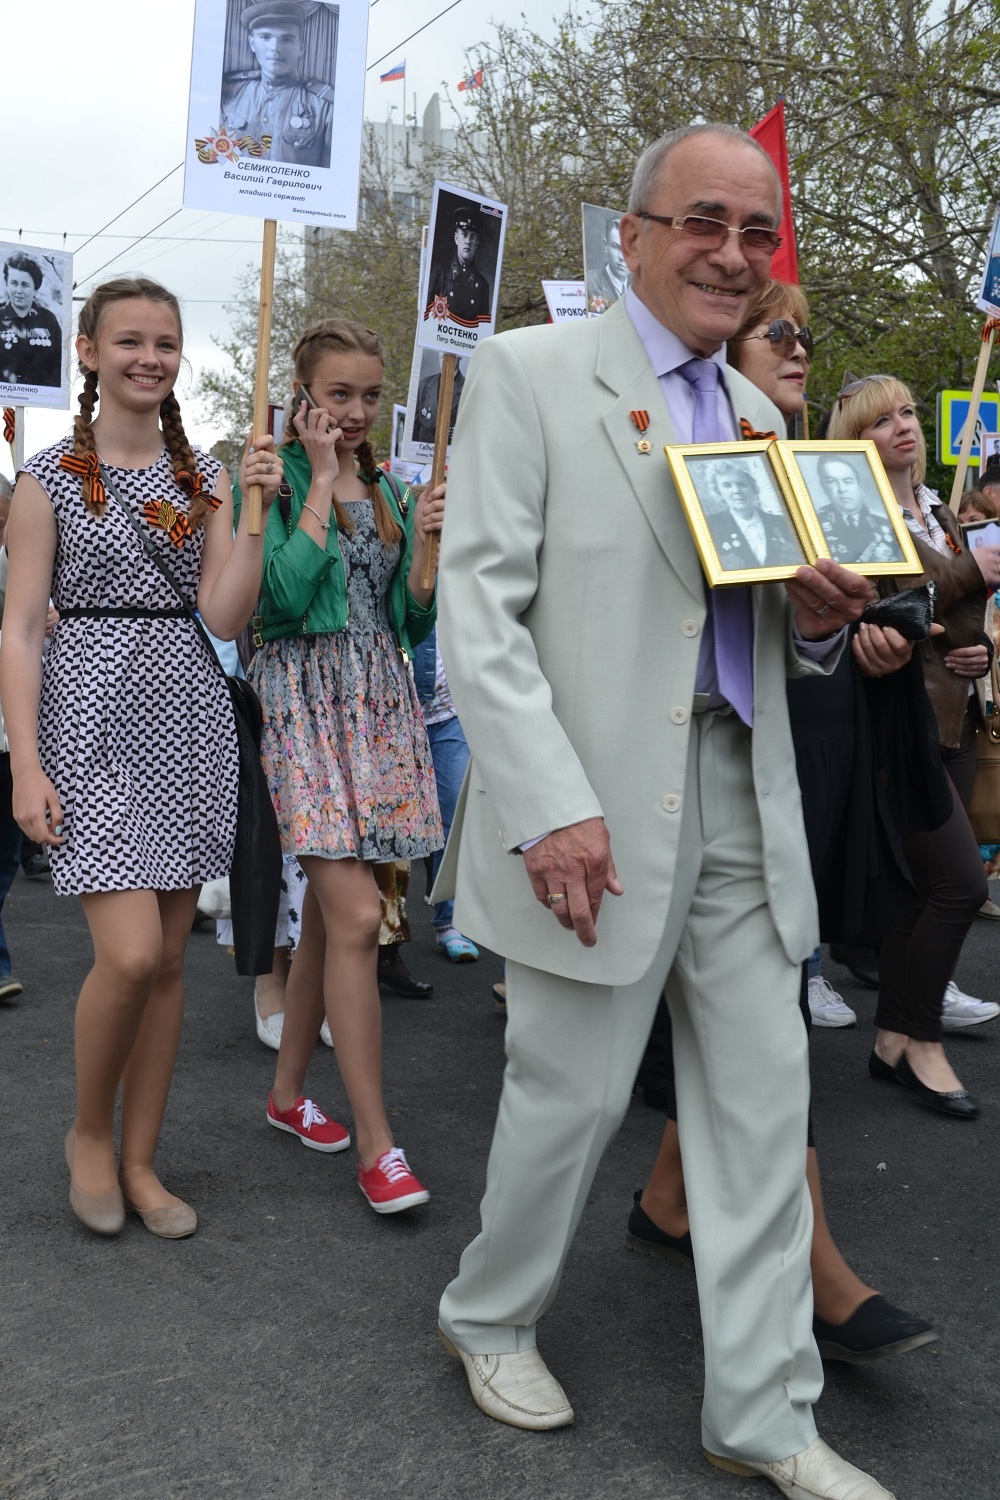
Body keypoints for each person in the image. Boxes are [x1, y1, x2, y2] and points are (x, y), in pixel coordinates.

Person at [434, 123, 894, 1499]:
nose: (734, 256)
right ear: (633, 234)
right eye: (706, 222)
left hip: (744, 800)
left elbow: (751, 630)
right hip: (593, 812)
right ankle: (489, 1315)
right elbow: (482, 616)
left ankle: (767, 1413)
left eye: (757, 234)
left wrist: (820, 622)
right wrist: (549, 808)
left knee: (764, 1113)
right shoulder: (525, 374)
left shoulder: (763, 419)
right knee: (565, 1099)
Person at [629, 279, 939, 1370]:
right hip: (699, 773)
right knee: (750, 1009)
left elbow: (885, 601)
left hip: (818, 752)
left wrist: (867, 634)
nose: (800, 349)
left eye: (807, 331)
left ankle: (672, 1202)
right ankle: (810, 1271)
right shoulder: (674, 459)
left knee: (754, 1000)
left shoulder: (823, 473)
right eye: (780, 333)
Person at [0, 275, 280, 1238]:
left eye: (165, 342)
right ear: (88, 350)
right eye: (129, 341)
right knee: (124, 955)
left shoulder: (203, 477)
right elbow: (22, 628)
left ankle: (142, 1159)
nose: (149, 357)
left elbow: (225, 615)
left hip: (185, 717)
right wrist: (25, 765)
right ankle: (88, 1133)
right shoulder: (44, 480)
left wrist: (250, 512)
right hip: (86, 720)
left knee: (166, 960)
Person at [240, 317, 443, 1214]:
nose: (355, 412)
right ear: (304, 394)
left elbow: (409, 621)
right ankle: (378, 1141)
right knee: (360, 916)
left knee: (335, 913)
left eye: (368, 395)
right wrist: (319, 479)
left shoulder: (394, 490)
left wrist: (428, 548)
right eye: (338, 395)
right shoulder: (271, 474)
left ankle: (287, 1098)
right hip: (301, 705)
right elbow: (276, 598)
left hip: (377, 705)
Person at [830, 374, 1000, 1111]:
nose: (901, 426)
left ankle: (893, 1039)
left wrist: (981, 655)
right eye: (879, 420)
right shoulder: (855, 512)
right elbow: (896, 602)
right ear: (854, 438)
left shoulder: (935, 510)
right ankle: (919, 1036)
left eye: (906, 413)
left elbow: (957, 619)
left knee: (919, 892)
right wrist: (971, 570)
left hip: (956, 712)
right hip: (900, 724)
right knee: (960, 884)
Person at [412, 625, 479, 961]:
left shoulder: (452, 572)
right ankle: (384, 939)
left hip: (451, 709)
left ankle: (449, 922)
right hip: (396, 710)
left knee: (454, 813)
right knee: (391, 827)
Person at [221, 1, 334, 168]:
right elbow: (213, 159)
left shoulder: (326, 106)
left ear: (301, 48)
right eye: (265, 37)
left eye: (287, 39)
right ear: (252, 44)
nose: (275, 48)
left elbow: (329, 180)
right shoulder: (228, 92)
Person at [702, 456, 802, 567]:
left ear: (752, 487)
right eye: (727, 485)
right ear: (718, 491)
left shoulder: (781, 523)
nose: (736, 490)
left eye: (741, 484)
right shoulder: (710, 526)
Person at [816, 455, 902, 565]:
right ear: (823, 487)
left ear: (860, 487)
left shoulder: (885, 522)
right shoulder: (814, 522)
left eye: (847, 481)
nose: (842, 489)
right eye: (831, 481)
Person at [0, 253, 62, 389]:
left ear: (35, 289)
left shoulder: (49, 320)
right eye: (14, 283)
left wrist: (44, 392)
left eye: (25, 285)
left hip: (40, 399)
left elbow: (60, 363)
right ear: (6, 284)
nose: (18, 291)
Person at [427, 207, 491, 325]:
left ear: (476, 244)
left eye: (472, 237)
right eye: (464, 235)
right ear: (456, 238)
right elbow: (426, 317)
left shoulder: (483, 285)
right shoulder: (440, 273)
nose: (468, 241)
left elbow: (482, 329)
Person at [412, 357, 467, 445]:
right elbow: (414, 430)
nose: (444, 354)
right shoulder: (424, 385)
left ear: (460, 356)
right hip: (423, 454)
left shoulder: (468, 389)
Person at [586, 214, 631, 313]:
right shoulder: (589, 284)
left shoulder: (642, 289)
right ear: (606, 246)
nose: (622, 257)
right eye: (616, 247)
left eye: (628, 249)